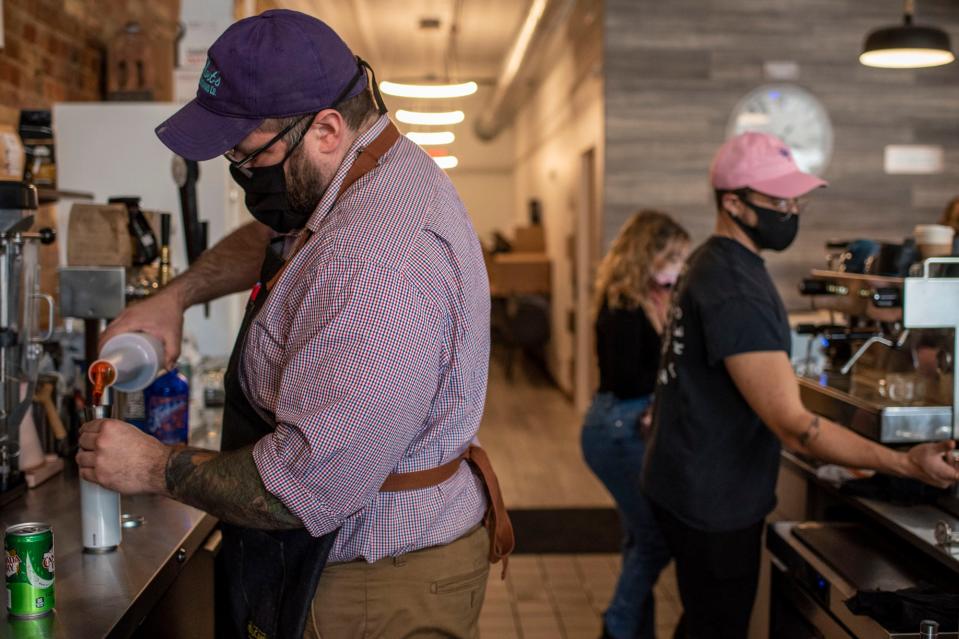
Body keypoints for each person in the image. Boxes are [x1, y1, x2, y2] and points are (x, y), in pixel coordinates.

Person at [75, 10, 513, 639]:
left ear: (327, 128)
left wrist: (151, 467)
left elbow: (297, 489)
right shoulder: (361, 173)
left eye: (248, 154)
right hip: (356, 562)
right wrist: (180, 293)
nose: (240, 171)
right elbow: (283, 232)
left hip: (372, 589)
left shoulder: (378, 264)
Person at [641, 132, 959, 639]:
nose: (792, 211)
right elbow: (794, 426)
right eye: (779, 200)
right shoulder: (734, 288)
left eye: (796, 199)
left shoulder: (713, 261)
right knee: (716, 626)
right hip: (713, 501)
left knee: (703, 619)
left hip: (685, 479)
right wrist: (904, 462)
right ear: (734, 202)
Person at [581, 210, 690, 639]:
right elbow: (627, 377)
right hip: (618, 430)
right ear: (649, 252)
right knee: (655, 540)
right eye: (674, 256)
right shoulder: (624, 304)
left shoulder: (647, 297)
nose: (679, 267)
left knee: (637, 538)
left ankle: (634, 631)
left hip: (623, 426)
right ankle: (617, 627)